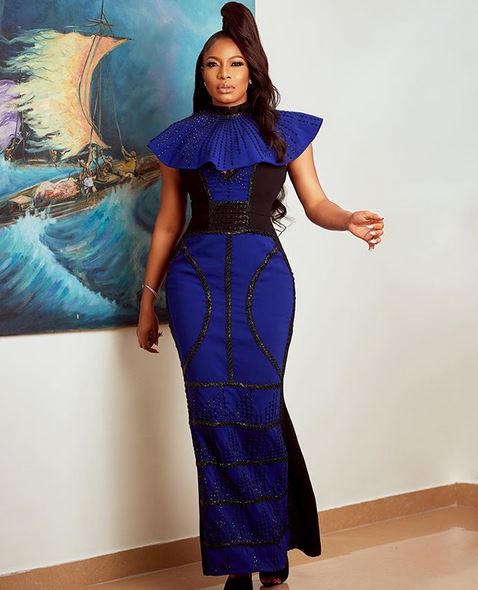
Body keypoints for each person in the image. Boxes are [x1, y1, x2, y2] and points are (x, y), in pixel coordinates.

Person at [137, 3, 385, 589]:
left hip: (263, 282)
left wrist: (347, 218)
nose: (223, 74)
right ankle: (237, 565)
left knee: (258, 407)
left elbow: (316, 204)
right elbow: (169, 223)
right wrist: (147, 300)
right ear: (201, 75)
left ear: (252, 70)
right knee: (211, 415)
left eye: (235, 63)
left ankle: (271, 550)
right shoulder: (180, 140)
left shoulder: (286, 131)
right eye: (212, 65)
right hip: (194, 282)